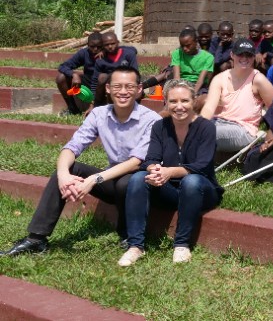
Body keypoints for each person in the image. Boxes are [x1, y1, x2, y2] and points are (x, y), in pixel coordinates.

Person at [3, 65, 160, 256]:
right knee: (69, 169)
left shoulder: (151, 119)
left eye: (129, 86)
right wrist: (63, 175)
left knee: (128, 181)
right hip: (111, 179)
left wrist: (94, 179)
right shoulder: (99, 114)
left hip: (141, 182)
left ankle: (127, 233)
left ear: (138, 89)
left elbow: (136, 162)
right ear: (108, 88)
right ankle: (36, 239)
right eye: (118, 86)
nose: (124, 92)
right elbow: (72, 147)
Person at [119, 80, 222, 266]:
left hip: (202, 188)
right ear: (165, 102)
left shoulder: (206, 127)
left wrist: (169, 172)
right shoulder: (160, 126)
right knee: (138, 178)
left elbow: (202, 165)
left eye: (185, 101)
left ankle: (181, 244)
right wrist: (155, 170)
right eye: (173, 101)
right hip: (172, 189)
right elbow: (150, 159)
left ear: (194, 101)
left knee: (191, 181)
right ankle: (135, 246)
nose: (179, 106)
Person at [200, 38, 273, 153]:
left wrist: (271, 134)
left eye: (248, 55)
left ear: (254, 57)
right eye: (240, 54)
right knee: (188, 126)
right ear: (232, 55)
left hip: (243, 129)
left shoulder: (258, 79)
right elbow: (209, 107)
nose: (244, 59)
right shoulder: (220, 78)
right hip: (219, 121)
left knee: (207, 132)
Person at [55, 31, 103, 115]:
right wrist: (74, 74)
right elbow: (63, 66)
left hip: (103, 85)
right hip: (88, 83)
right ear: (88, 45)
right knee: (61, 78)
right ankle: (72, 109)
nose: (95, 49)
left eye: (99, 47)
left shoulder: (109, 54)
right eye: (92, 46)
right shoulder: (84, 53)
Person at [92, 32, 139, 107]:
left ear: (118, 42)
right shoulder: (101, 60)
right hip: (109, 86)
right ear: (102, 46)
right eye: (106, 45)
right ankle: (100, 106)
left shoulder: (128, 54)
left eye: (113, 43)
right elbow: (95, 82)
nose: (110, 46)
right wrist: (92, 104)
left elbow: (135, 73)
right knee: (102, 77)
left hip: (127, 83)